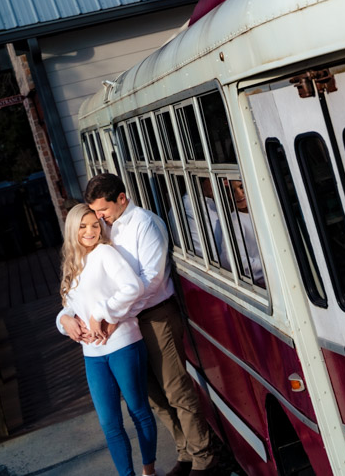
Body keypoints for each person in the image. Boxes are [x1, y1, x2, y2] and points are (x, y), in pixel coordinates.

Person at [85, 173, 220, 476]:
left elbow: (151, 281)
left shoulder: (145, 224)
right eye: (94, 211)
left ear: (122, 198)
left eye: (102, 210)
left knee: (175, 389)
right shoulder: (107, 229)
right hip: (127, 324)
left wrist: (111, 313)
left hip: (156, 315)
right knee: (153, 395)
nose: (98, 217)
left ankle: (206, 459)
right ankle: (185, 453)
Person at [56, 204, 157, 476]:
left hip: (123, 344)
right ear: (72, 230)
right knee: (109, 423)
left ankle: (149, 471)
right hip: (92, 354)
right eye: (83, 226)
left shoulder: (105, 253)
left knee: (138, 411)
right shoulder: (73, 263)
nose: (90, 231)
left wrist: (101, 313)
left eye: (94, 225)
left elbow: (133, 287)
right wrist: (64, 321)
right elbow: (71, 306)